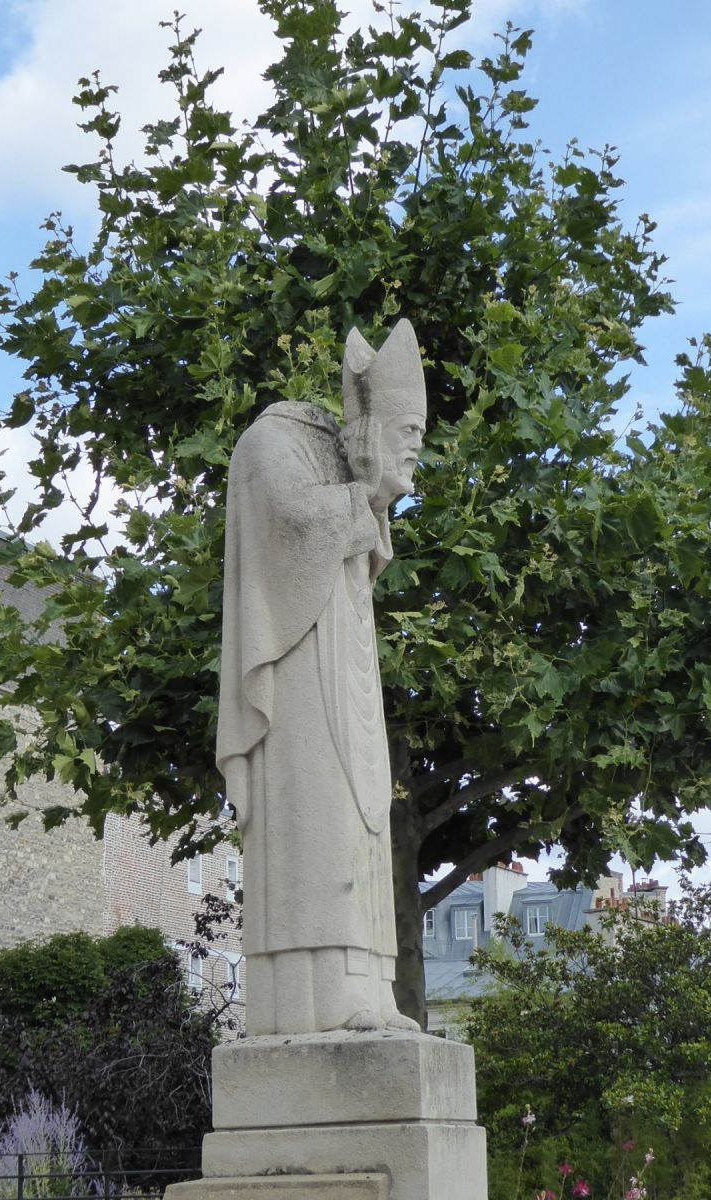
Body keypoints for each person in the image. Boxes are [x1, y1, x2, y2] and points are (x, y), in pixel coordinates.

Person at [216, 319, 427, 1035]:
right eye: (409, 433)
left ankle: (370, 988)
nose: (416, 449)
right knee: (321, 821)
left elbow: (362, 555)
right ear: (373, 426)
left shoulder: (344, 469)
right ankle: (322, 1000)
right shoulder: (273, 441)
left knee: (363, 822)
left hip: (350, 667)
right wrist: (361, 493)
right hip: (298, 679)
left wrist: (368, 495)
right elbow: (288, 524)